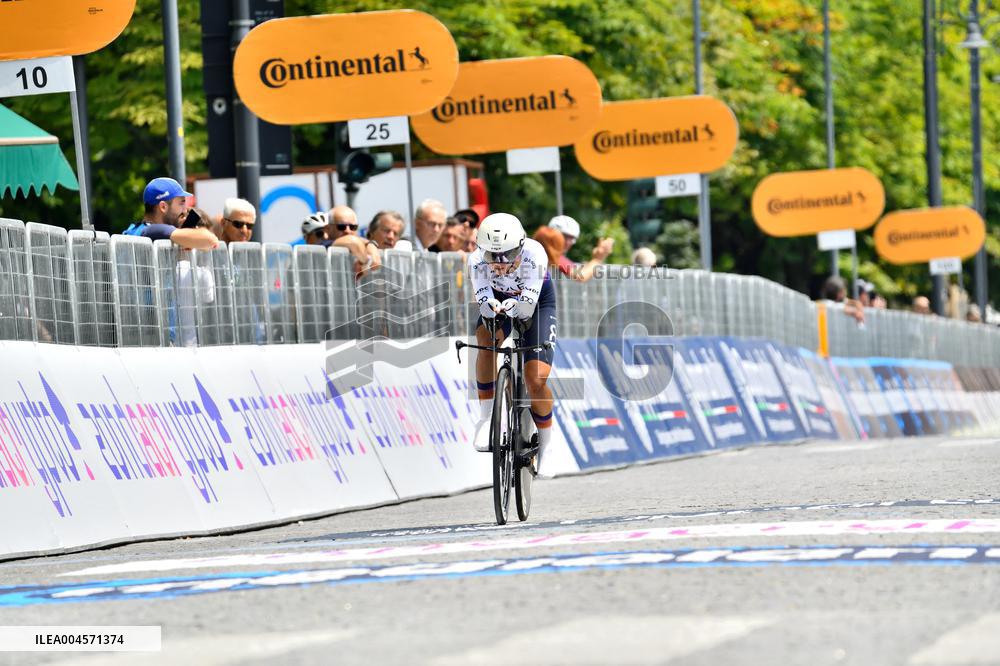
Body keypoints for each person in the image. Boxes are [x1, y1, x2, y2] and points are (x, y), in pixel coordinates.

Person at [469, 213, 557, 471]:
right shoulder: (475, 259)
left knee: (536, 379)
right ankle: (486, 418)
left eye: (508, 254)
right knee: (485, 340)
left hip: (537, 302)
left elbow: (526, 310)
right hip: (500, 298)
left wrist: (515, 305)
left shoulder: (534, 254)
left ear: (520, 246)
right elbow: (484, 304)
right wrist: (490, 305)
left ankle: (547, 444)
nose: (500, 263)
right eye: (492, 256)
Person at [125, 177, 217, 250]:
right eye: (181, 203)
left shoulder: (139, 229)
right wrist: (188, 237)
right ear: (163, 207)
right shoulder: (153, 230)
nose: (185, 210)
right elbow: (210, 240)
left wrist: (186, 239)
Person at [547, 214, 614, 282]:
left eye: (572, 238)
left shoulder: (549, 253)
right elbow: (581, 275)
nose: (568, 242)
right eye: (564, 236)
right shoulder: (550, 254)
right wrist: (598, 259)